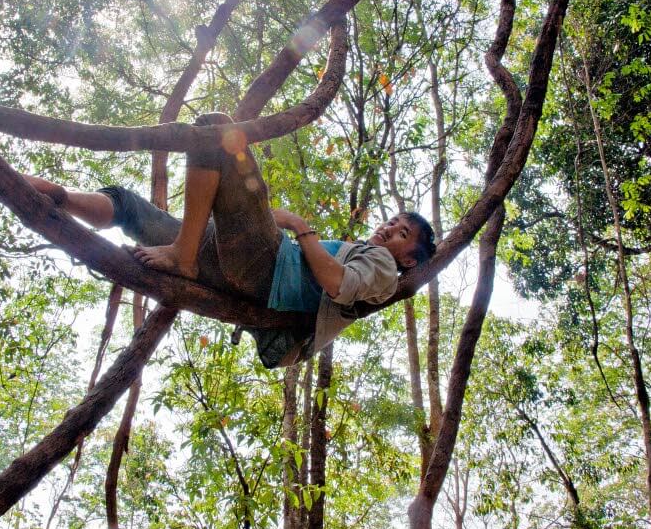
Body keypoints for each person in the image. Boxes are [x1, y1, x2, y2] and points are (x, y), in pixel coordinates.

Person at [22, 112, 436, 367]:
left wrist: (299, 225)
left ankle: (184, 253)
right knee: (130, 206)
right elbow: (261, 219)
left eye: (402, 233)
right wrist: (241, 207)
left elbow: (336, 284)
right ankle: (61, 199)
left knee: (219, 129)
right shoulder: (363, 254)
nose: (388, 229)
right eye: (392, 221)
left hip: (265, 272)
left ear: (410, 260)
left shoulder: (384, 268)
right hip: (231, 264)